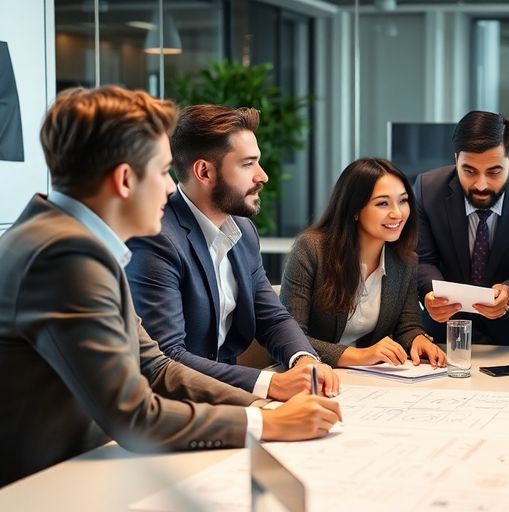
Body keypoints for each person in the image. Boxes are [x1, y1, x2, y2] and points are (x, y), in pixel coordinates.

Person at [0, 86, 341, 486]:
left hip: (86, 464)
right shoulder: (66, 256)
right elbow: (133, 414)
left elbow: (156, 366)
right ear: (125, 179)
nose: (168, 187)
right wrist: (263, 420)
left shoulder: (75, 240)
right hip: (43, 483)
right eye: (163, 172)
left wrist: (264, 406)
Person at [125, 104, 339, 400]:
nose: (262, 176)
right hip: (178, 404)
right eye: (248, 164)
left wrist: (305, 360)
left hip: (230, 398)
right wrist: (270, 386)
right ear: (204, 172)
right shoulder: (156, 239)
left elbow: (272, 318)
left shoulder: (242, 231)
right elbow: (168, 356)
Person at [280, 158, 446, 367]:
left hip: (368, 381)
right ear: (355, 209)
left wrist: (418, 339)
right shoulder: (311, 249)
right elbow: (288, 337)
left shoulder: (405, 261)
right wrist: (360, 356)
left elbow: (407, 326)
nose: (397, 213)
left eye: (403, 200)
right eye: (382, 203)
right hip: (311, 375)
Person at [415, 111, 509, 346]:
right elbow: (422, 260)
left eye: (493, 172)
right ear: (456, 159)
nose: (481, 185)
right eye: (469, 171)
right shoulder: (427, 190)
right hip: (440, 333)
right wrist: (431, 296)